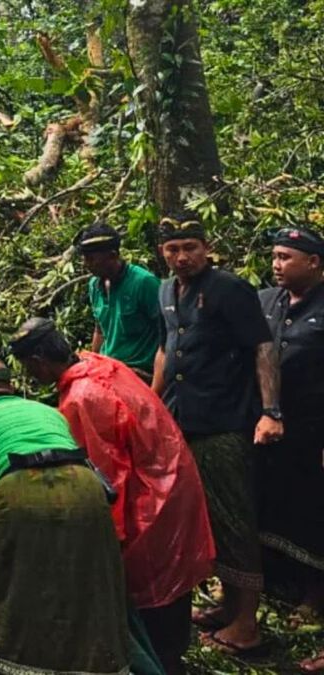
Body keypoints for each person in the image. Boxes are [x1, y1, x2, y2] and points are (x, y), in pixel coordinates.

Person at [11, 318, 216, 675]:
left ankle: (161, 663)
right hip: (171, 481)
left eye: (30, 368)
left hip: (149, 498)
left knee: (148, 589)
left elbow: (106, 478)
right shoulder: (103, 365)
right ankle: (172, 655)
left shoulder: (82, 398)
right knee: (170, 580)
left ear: (39, 362)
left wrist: (106, 540)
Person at [151, 213, 282, 656]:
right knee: (207, 521)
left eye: (190, 247)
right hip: (182, 420)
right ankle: (227, 605)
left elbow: (262, 347)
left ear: (206, 248)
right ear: (162, 253)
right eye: (173, 249)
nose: (182, 256)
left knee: (234, 520)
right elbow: (166, 349)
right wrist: (153, 403)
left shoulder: (230, 288)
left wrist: (270, 411)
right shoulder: (166, 290)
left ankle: (247, 624)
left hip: (225, 424)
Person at [0, 358, 129, 675]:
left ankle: (22, 664)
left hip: (19, 487)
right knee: (88, 578)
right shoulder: (48, 412)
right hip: (86, 486)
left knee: (13, 580)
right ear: (11, 387)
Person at [257, 227, 324, 672]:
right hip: (271, 426)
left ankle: (315, 596)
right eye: (275, 256)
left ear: (314, 262)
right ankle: (277, 582)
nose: (277, 264)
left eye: (286, 257)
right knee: (272, 506)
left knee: (314, 511)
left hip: (313, 430)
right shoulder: (266, 301)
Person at [76, 221, 163, 379]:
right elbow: (100, 329)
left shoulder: (144, 283)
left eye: (91, 259)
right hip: (109, 371)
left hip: (140, 373)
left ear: (112, 256)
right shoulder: (94, 284)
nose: (85, 264)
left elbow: (167, 334)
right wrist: (93, 363)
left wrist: (156, 384)